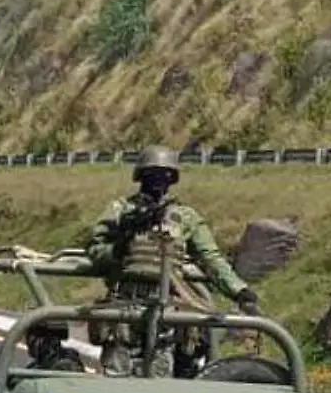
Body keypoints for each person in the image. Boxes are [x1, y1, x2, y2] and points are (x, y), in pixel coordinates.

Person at [85, 146, 259, 377]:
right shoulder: (120, 210)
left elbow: (211, 259)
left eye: (164, 176)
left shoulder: (185, 217)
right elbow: (95, 250)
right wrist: (120, 246)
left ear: (172, 179)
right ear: (140, 177)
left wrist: (239, 291)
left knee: (162, 374)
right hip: (123, 306)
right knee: (118, 373)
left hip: (168, 310)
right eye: (152, 175)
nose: (158, 181)